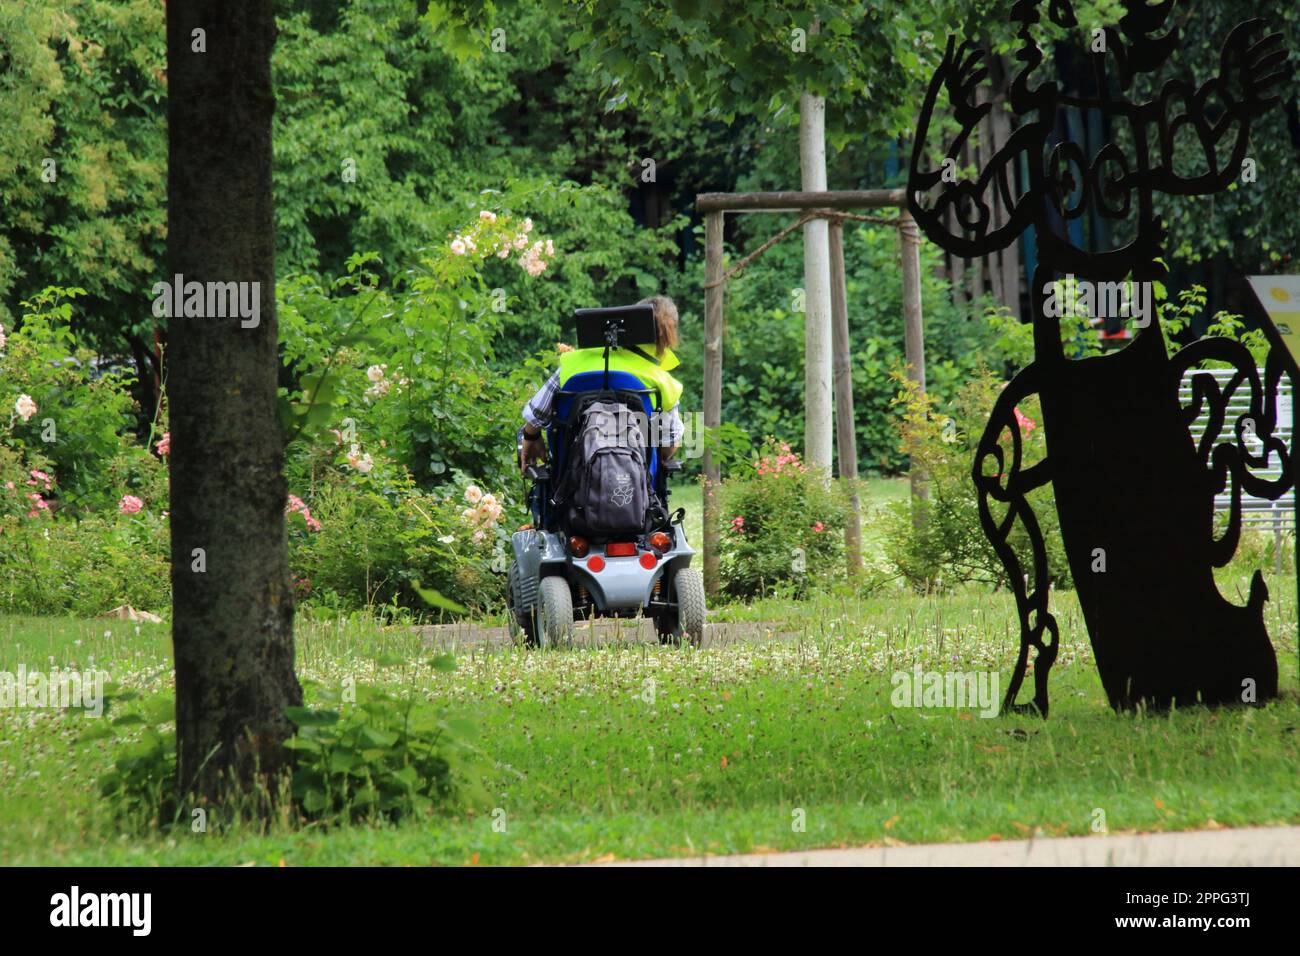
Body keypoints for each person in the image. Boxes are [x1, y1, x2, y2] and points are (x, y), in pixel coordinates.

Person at [519, 295, 685, 474]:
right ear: (668, 337)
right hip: (635, 488)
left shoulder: (574, 364)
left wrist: (530, 437)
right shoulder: (664, 383)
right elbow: (668, 445)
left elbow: (536, 413)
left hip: (571, 480)